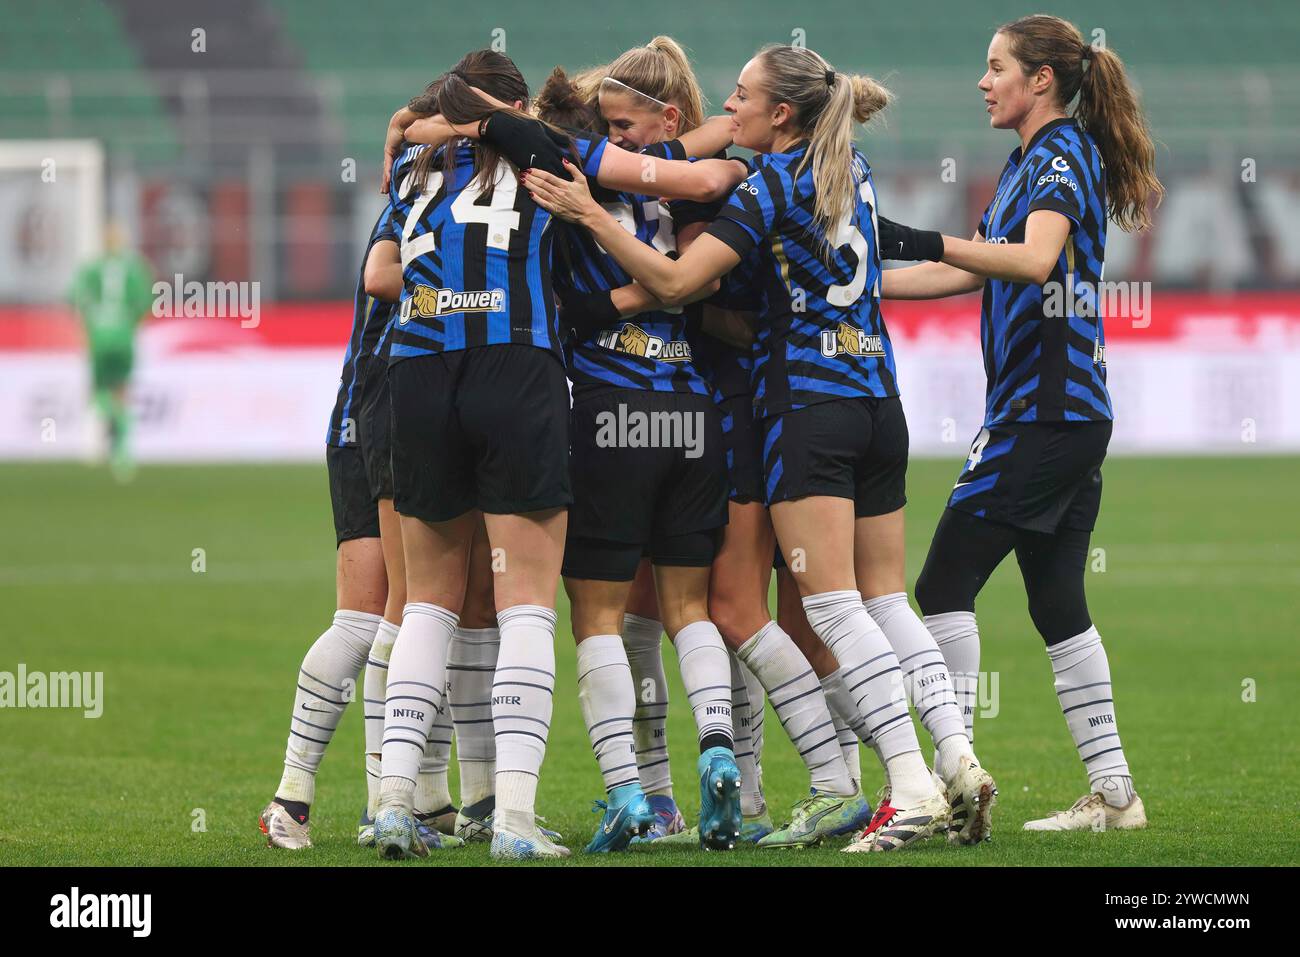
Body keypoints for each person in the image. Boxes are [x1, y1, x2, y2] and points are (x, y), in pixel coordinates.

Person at [525, 44, 967, 853]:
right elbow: (742, 277)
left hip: (755, 413)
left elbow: (686, 283)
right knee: (818, 606)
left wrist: (594, 269)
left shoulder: (743, 185)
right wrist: (981, 258)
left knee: (727, 609)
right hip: (832, 400)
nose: (620, 149)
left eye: (628, 130)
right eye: (609, 133)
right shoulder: (844, 169)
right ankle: (943, 757)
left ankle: (698, 791)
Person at [878, 14, 1162, 832]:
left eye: (996, 66)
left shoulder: (1061, 155)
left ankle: (952, 779)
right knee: (1056, 601)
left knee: (940, 586)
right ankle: (1115, 796)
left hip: (1042, 415)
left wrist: (930, 237)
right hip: (1062, 415)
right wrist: (870, 282)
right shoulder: (1027, 162)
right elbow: (970, 265)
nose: (983, 80)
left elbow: (1034, 259)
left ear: (1041, 79)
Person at [540, 40, 747, 852]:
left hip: (610, 412)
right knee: (686, 608)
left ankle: (631, 793)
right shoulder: (686, 192)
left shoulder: (573, 184)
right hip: (691, 412)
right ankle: (719, 752)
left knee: (595, 613)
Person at [259, 207, 462, 851]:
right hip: (376, 411)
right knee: (384, 616)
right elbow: (381, 278)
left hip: (399, 407)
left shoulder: (436, 191)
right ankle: (335, 799)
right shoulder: (416, 197)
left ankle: (415, 802)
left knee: (421, 614)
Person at [68, 222, 154, 481]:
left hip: (100, 334)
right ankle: (122, 454)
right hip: (123, 334)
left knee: (98, 394)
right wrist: (128, 324)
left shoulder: (91, 268)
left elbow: (73, 297)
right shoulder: (135, 268)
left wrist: (90, 323)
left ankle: (113, 434)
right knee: (122, 391)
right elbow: (145, 302)